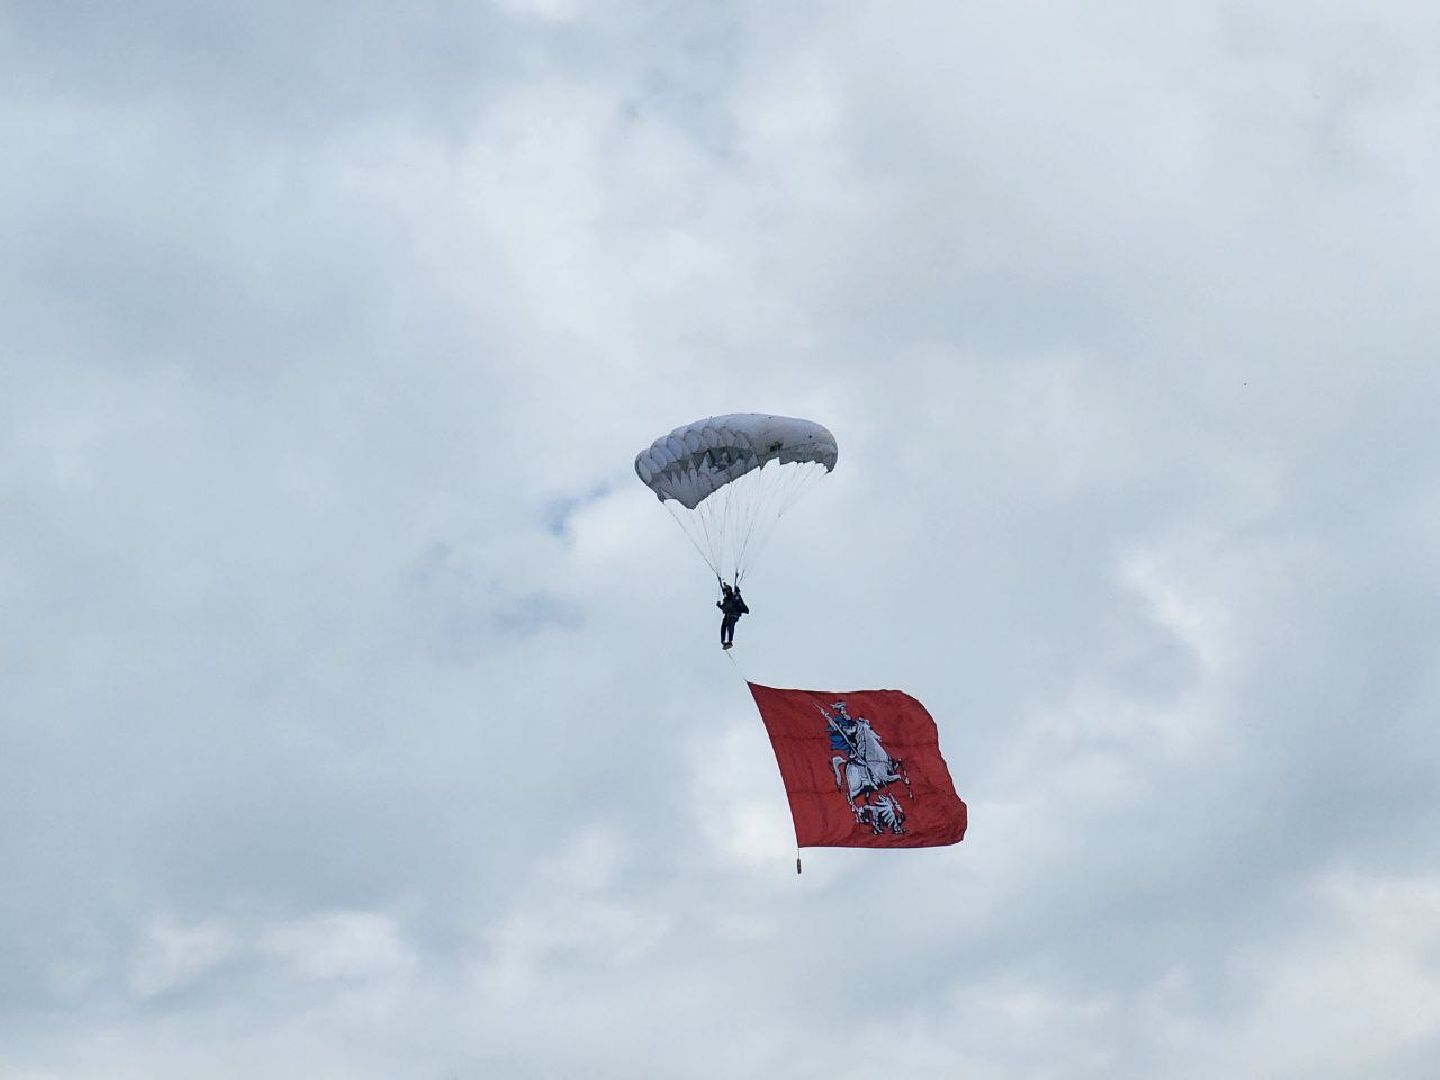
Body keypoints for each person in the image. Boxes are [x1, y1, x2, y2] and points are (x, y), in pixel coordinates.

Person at [717, 581, 749, 649]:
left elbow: (739, 601)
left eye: (727, 590)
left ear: (730, 590)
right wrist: (720, 606)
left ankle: (729, 641)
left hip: (734, 614)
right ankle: (723, 641)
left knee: (730, 625)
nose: (726, 592)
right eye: (725, 591)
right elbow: (725, 607)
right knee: (723, 626)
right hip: (728, 614)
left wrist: (738, 592)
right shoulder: (726, 600)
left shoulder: (735, 596)